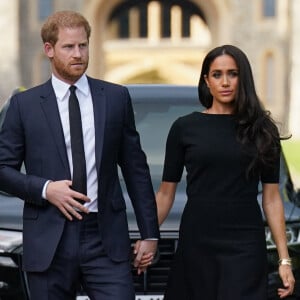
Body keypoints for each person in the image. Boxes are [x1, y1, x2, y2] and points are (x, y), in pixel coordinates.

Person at [0, 10, 159, 300]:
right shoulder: (24, 105)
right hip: (49, 239)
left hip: (105, 238)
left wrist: (149, 234)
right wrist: (46, 190)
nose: (78, 54)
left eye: (83, 45)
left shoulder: (115, 98)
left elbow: (136, 169)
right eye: (68, 47)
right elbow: (3, 170)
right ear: (49, 50)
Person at [154, 45, 295, 299]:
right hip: (197, 241)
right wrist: (148, 236)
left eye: (233, 73)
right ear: (206, 80)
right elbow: (165, 194)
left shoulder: (263, 131)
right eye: (217, 75)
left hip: (245, 244)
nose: (225, 81)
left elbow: (272, 198)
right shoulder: (185, 128)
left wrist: (284, 260)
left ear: (244, 78)